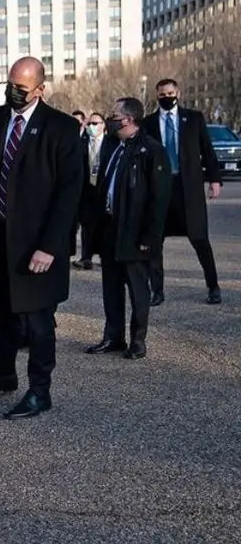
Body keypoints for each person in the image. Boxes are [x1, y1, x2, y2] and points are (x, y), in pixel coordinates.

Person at [0, 57, 82, 420]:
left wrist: (50, 246)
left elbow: (68, 194)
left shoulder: (61, 128)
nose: (13, 92)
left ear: (40, 89)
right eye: (10, 84)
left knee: (39, 321)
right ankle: (4, 373)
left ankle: (39, 391)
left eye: (22, 88)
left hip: (36, 243)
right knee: (3, 311)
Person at [85, 98, 171, 361]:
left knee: (137, 289)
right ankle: (113, 336)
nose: (111, 119)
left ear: (129, 119)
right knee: (111, 287)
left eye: (115, 115)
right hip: (111, 227)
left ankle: (137, 340)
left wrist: (149, 237)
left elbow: (159, 199)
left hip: (135, 233)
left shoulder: (151, 150)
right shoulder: (114, 147)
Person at [141, 79, 223, 305]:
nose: (166, 97)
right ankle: (157, 290)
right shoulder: (148, 123)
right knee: (156, 241)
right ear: (156, 96)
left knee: (199, 238)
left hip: (189, 187)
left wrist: (215, 179)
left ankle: (213, 285)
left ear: (178, 92)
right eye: (162, 94)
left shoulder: (193, 118)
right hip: (160, 187)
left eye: (170, 92)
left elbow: (207, 150)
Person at [73, 112, 106, 270]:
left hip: (104, 190)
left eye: (96, 123)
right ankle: (86, 257)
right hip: (86, 190)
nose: (92, 127)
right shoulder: (81, 143)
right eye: (90, 124)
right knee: (86, 224)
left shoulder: (109, 143)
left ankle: (104, 255)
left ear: (103, 125)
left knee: (104, 224)